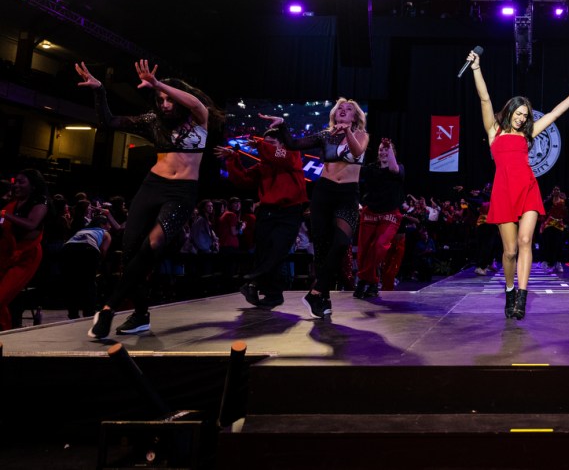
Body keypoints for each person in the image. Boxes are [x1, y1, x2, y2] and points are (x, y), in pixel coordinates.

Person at [77, 60, 221, 339]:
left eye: (169, 98)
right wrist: (99, 90)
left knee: (153, 243)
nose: (165, 103)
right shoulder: (153, 121)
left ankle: (108, 309)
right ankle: (141, 314)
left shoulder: (198, 117)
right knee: (130, 251)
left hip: (182, 192)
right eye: (160, 100)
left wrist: (158, 84)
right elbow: (108, 122)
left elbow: (192, 101)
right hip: (152, 186)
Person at [466, 49, 569, 320]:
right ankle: (509, 290)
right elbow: (484, 98)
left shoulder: (528, 133)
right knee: (508, 252)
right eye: (518, 113)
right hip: (503, 192)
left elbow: (554, 114)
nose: (521, 118)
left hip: (528, 188)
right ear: (509, 111)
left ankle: (521, 297)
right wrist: (476, 68)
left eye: (525, 115)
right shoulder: (494, 131)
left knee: (525, 240)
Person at [274, 99, 368, 320]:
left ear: (355, 117)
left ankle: (316, 292)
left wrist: (348, 133)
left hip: (347, 195)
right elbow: (293, 145)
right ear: (335, 115)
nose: (344, 112)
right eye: (340, 109)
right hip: (324, 193)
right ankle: (321, 297)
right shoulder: (325, 135)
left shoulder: (362, 135)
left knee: (342, 243)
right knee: (323, 249)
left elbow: (356, 152)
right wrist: (281, 125)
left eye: (349, 110)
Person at [216, 115, 309, 309]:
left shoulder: (292, 155)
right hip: (267, 212)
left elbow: (279, 156)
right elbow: (242, 180)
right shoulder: (263, 166)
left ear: (282, 144)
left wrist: (259, 143)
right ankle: (272, 294)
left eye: (271, 143)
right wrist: (233, 159)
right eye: (265, 143)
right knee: (264, 251)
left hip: (290, 211)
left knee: (278, 250)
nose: (267, 147)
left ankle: (253, 280)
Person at [353, 137, 405, 299]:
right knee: (363, 251)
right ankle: (373, 283)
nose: (383, 152)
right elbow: (354, 175)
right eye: (381, 150)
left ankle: (364, 280)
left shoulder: (398, 168)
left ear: (393, 153)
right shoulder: (370, 169)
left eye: (386, 150)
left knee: (380, 247)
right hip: (370, 213)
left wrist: (389, 148)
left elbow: (394, 169)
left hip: (389, 214)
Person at [0, 169, 51, 331]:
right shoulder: (13, 203)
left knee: (1, 298)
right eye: (16, 182)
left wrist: (4, 214)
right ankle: (5, 332)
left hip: (26, 256)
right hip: (8, 254)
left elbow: (31, 224)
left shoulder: (40, 203)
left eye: (22, 182)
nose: (16, 185)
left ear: (34, 185)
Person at [60, 206, 113, 319]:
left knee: (72, 282)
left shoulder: (82, 230)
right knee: (89, 282)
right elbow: (103, 250)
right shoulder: (105, 233)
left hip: (67, 250)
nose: (110, 227)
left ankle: (73, 313)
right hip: (88, 250)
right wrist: (99, 264)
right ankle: (89, 312)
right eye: (108, 224)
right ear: (102, 225)